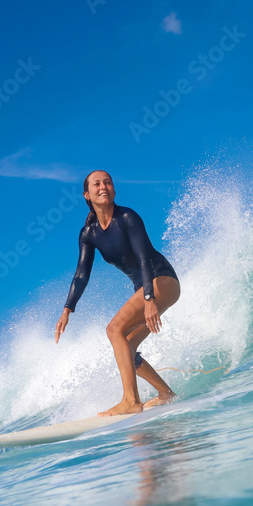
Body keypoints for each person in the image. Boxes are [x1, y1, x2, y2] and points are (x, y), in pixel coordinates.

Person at [55, 170, 181, 417]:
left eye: (108, 182)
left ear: (114, 189)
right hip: (146, 288)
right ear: (87, 194)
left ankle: (131, 401)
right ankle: (166, 394)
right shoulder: (88, 234)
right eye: (97, 184)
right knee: (126, 347)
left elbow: (144, 258)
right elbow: (81, 274)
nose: (103, 186)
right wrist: (67, 309)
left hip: (161, 280)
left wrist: (149, 299)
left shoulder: (127, 217)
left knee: (114, 330)